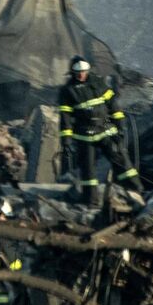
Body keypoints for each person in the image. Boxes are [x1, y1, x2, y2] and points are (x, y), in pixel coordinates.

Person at [58, 56, 138, 208]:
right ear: (73, 73)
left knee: (122, 161)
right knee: (88, 169)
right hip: (84, 135)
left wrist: (120, 127)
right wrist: (66, 140)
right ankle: (91, 202)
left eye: (83, 71)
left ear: (88, 70)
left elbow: (114, 106)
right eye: (78, 72)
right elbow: (65, 117)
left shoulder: (99, 84)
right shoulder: (67, 91)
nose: (81, 75)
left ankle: (135, 191)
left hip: (106, 131)